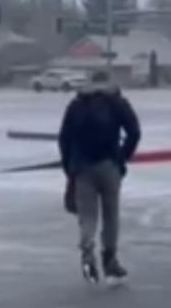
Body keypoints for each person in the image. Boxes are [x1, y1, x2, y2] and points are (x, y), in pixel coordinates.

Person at [57, 69, 141, 285]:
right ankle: (110, 260)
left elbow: (64, 138)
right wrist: (122, 158)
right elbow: (134, 131)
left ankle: (87, 254)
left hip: (83, 168)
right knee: (111, 214)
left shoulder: (77, 104)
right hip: (109, 166)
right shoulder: (117, 102)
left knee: (88, 216)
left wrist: (70, 167)